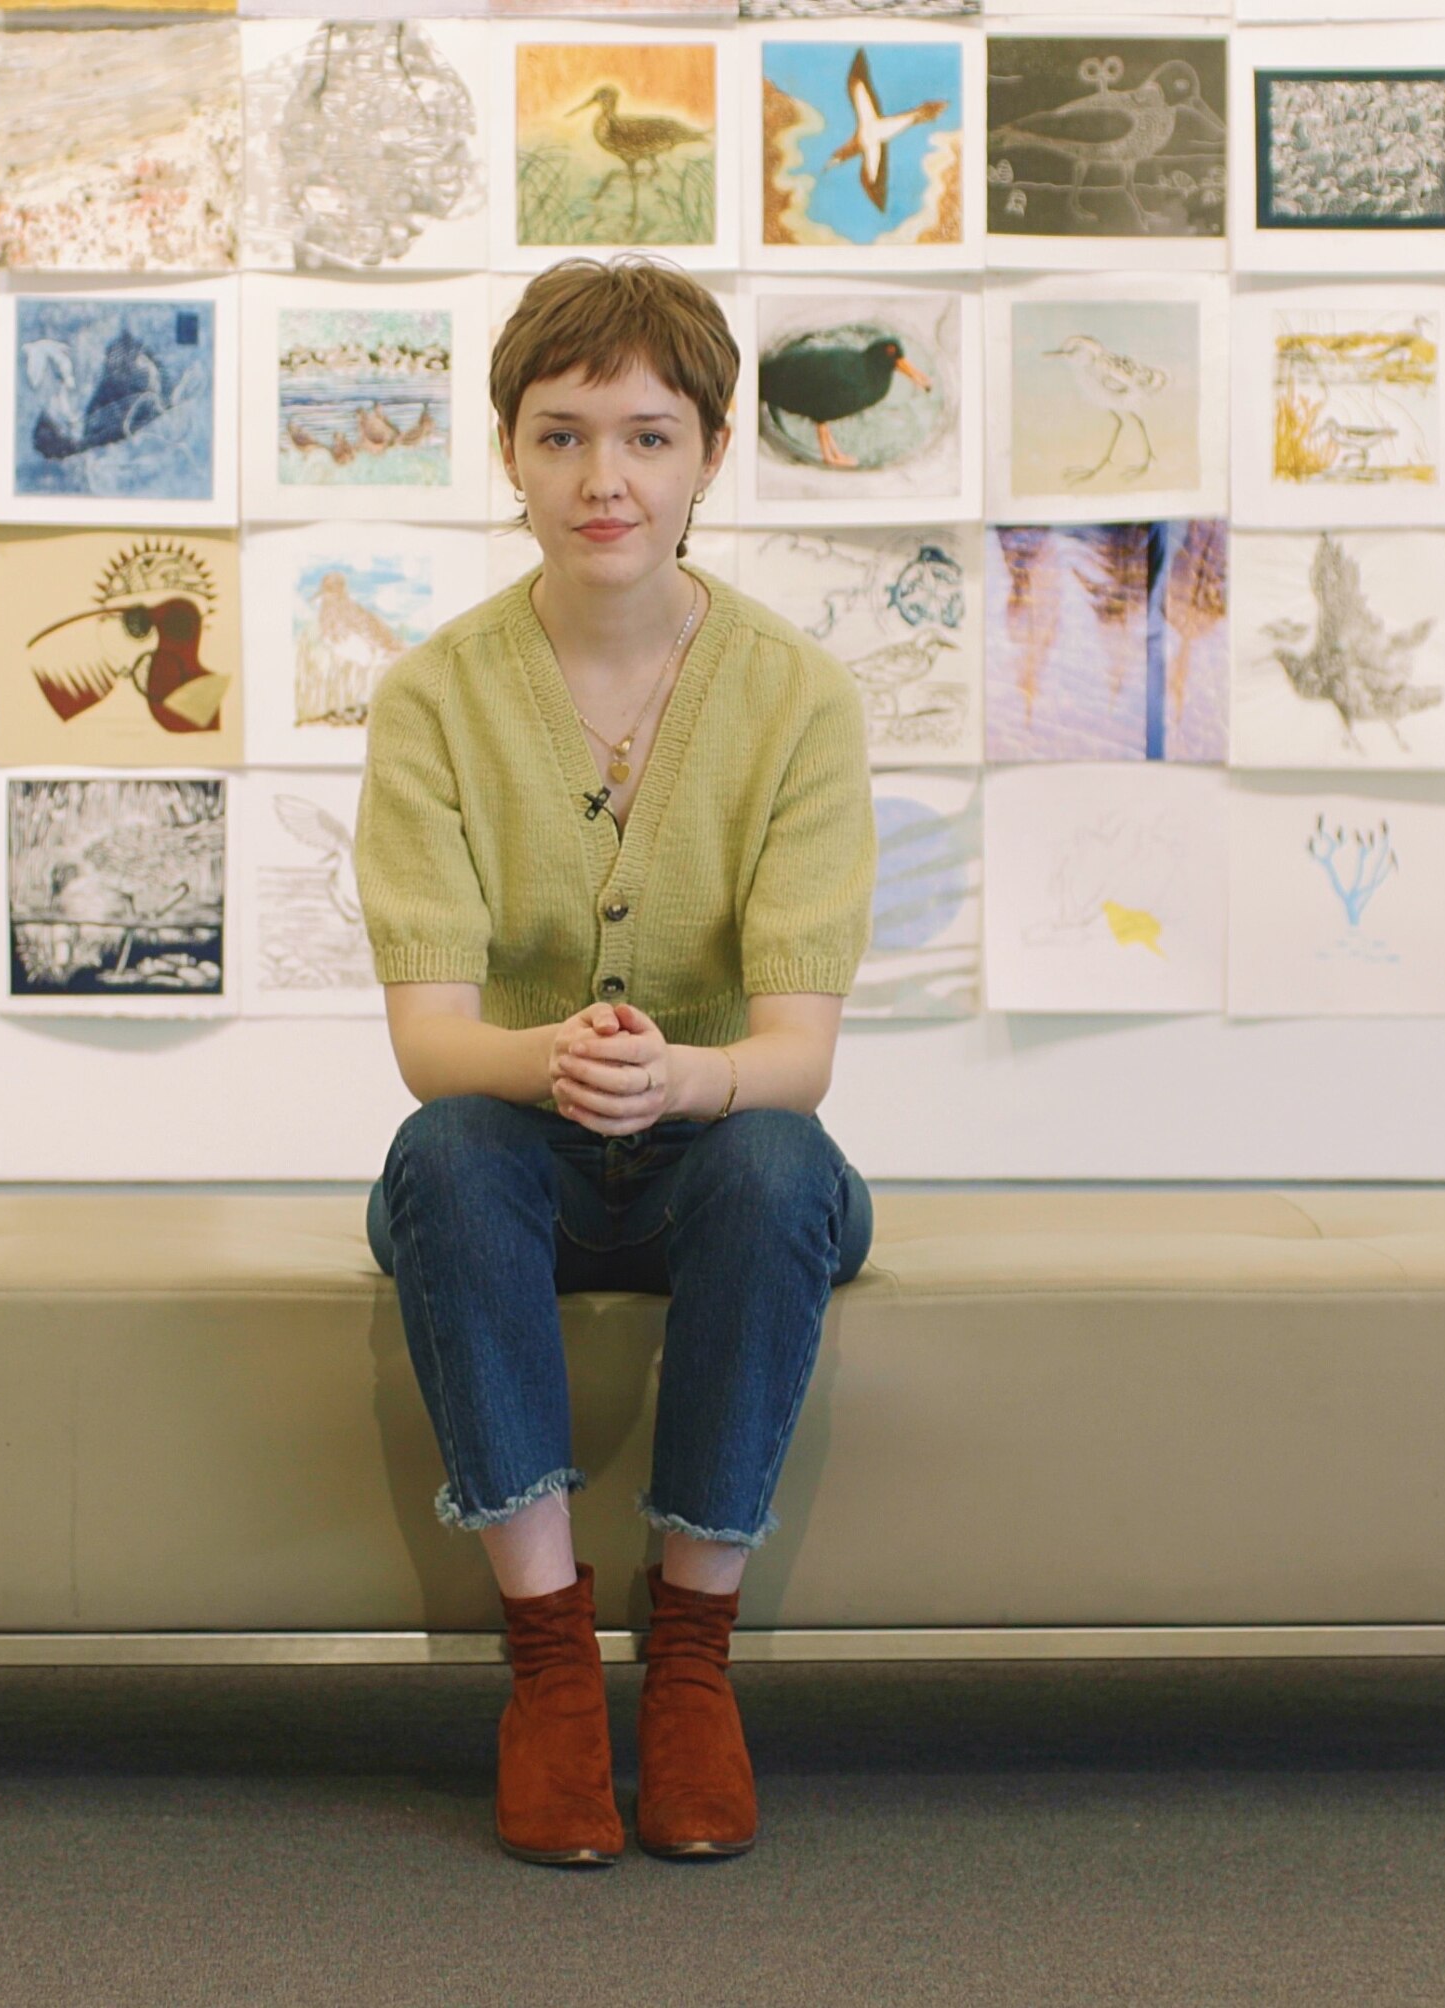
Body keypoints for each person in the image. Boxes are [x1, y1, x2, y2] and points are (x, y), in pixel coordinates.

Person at [355, 256, 879, 1867]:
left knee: (777, 1162)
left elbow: (793, 1061)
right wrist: (557, 1059)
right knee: (447, 1154)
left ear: (710, 453)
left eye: (647, 437)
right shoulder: (435, 694)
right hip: (516, 1159)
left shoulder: (795, 695)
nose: (604, 480)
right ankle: (549, 1673)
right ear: (507, 453)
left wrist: (681, 1079)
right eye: (562, 434)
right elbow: (434, 1051)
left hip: (724, 1160)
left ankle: (696, 1665)